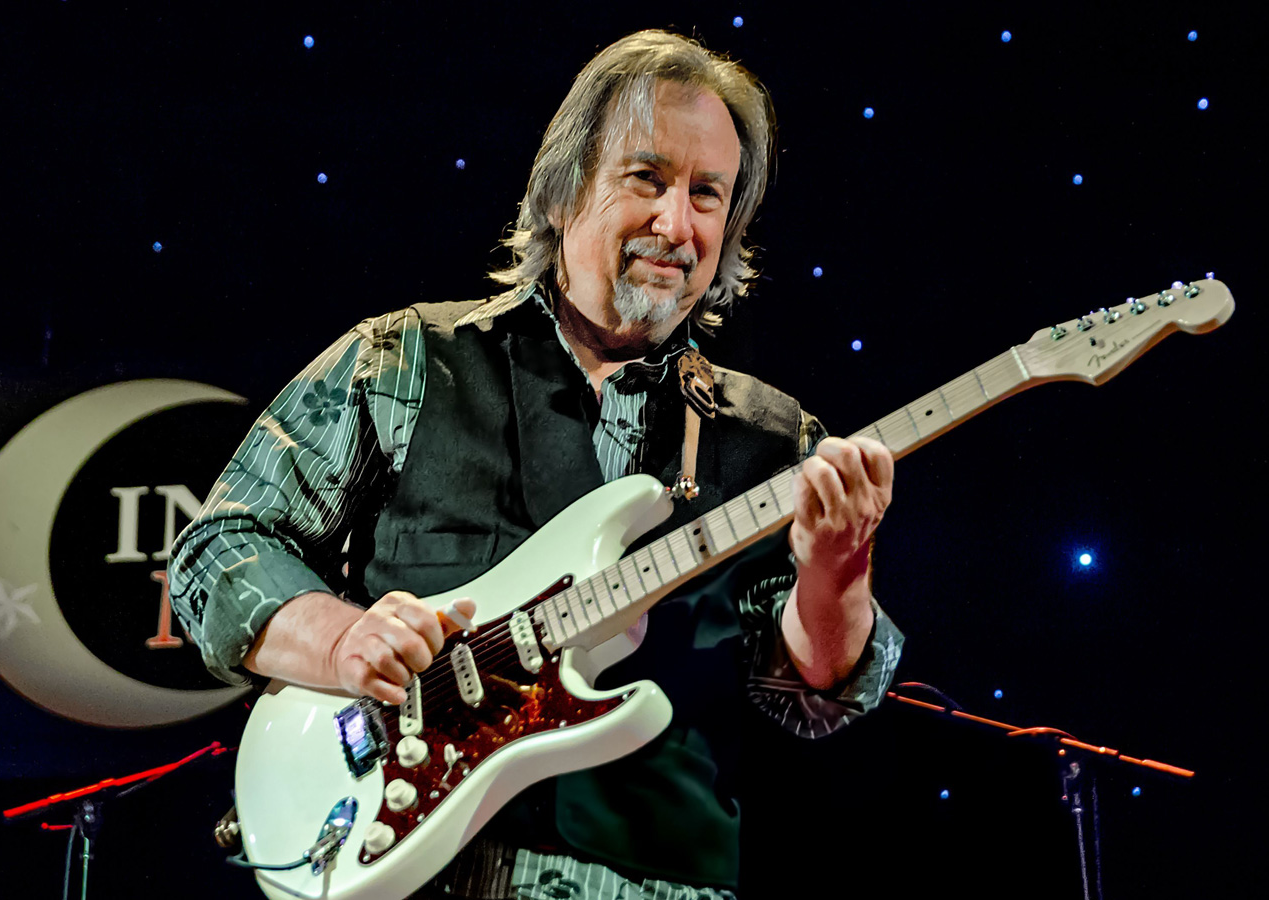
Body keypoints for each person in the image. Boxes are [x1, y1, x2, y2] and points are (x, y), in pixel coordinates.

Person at [170, 30, 904, 900]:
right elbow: (218, 549)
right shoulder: (405, 360)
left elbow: (817, 698)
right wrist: (342, 639)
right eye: (647, 178)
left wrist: (840, 570)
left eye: (708, 194)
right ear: (563, 193)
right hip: (409, 869)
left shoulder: (775, 440)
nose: (677, 223)